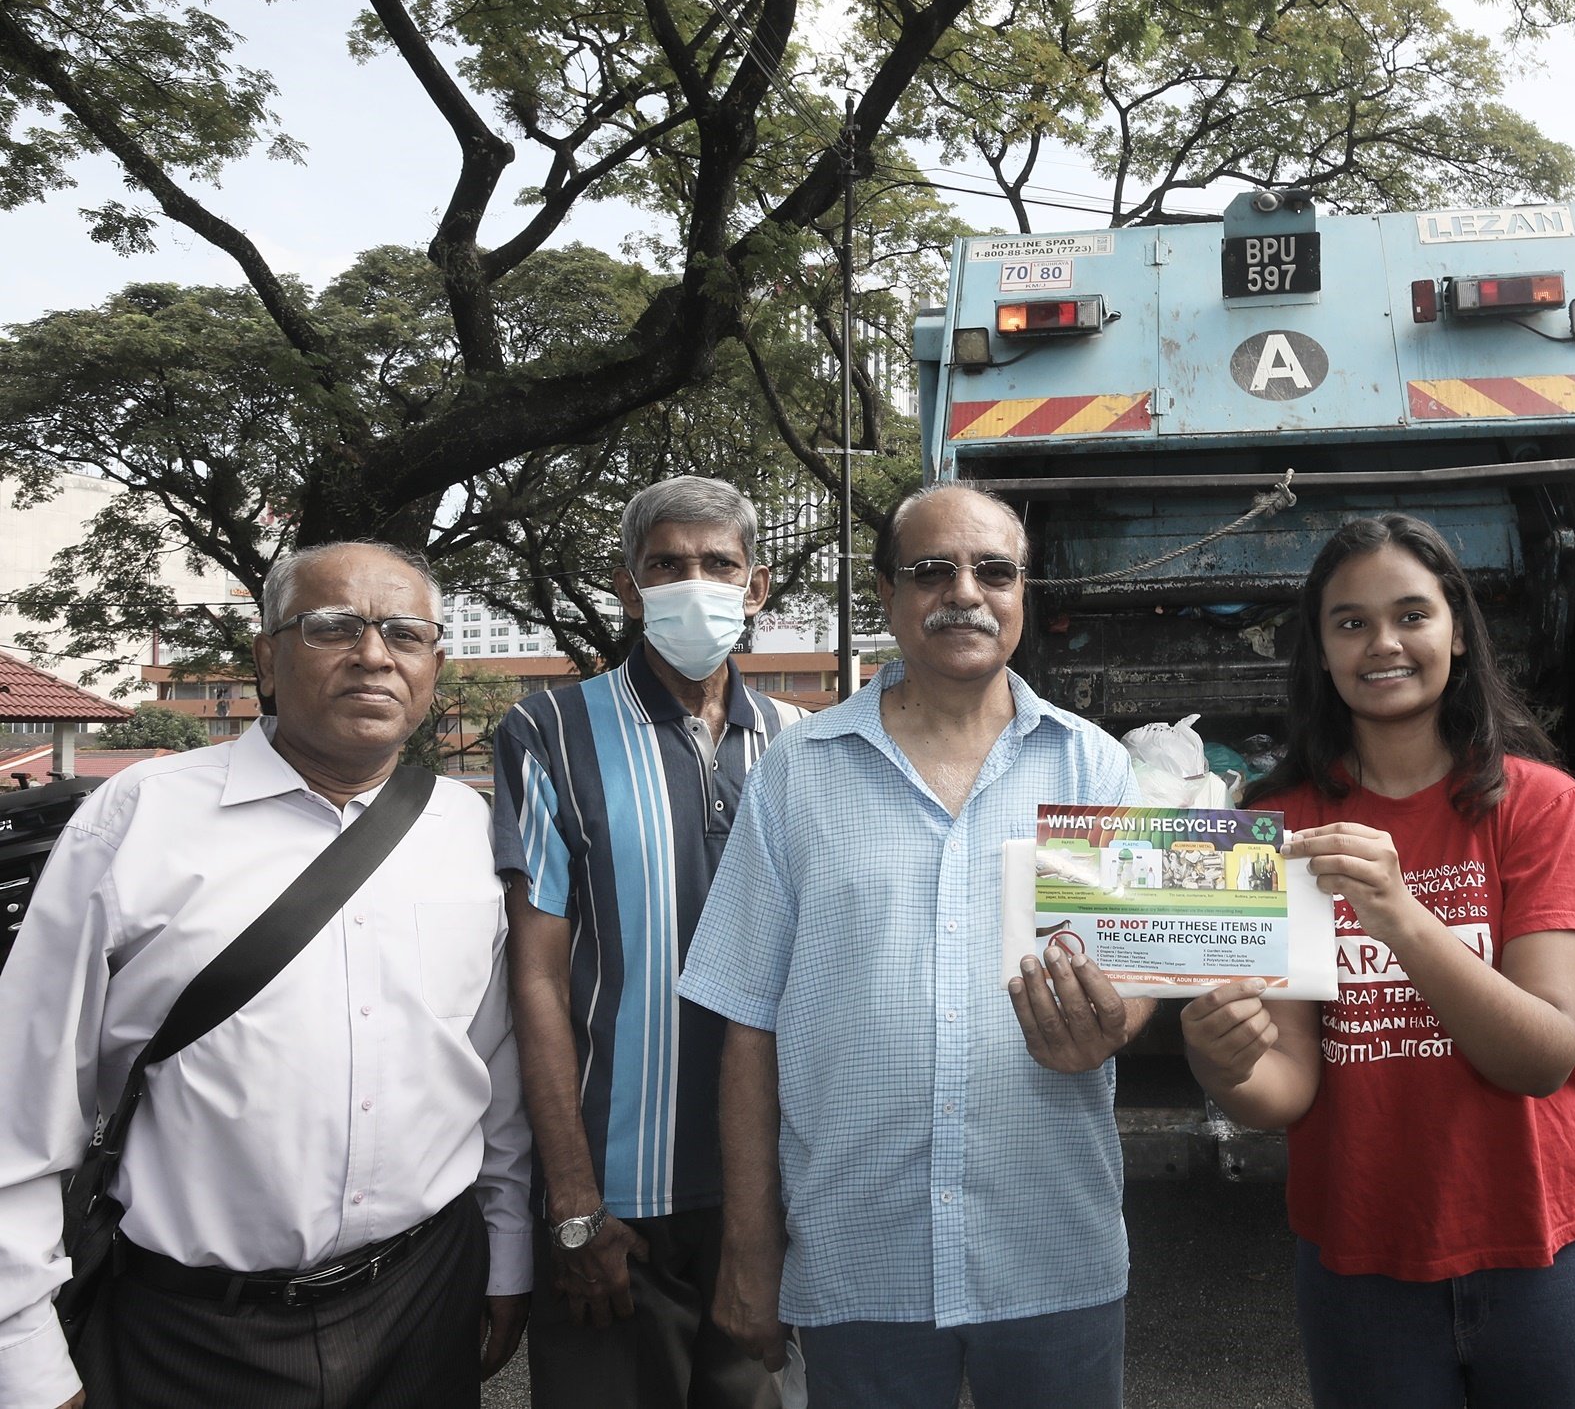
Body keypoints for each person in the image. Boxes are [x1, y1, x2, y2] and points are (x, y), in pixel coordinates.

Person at [0, 542, 531, 1409]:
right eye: (332, 627)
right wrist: (24, 1357)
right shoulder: (139, 817)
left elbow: (491, 1072)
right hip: (194, 1334)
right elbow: (21, 1100)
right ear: (266, 660)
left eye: (404, 632)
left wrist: (506, 1255)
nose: (372, 654)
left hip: (421, 1304)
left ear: (434, 664)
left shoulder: (463, 830)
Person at [678, 482, 1152, 1409]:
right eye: (933, 569)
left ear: (1023, 595)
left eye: (994, 571)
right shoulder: (799, 773)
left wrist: (1115, 1024)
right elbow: (749, 1024)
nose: (964, 592)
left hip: (1052, 1249)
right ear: (889, 595)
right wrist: (750, 1244)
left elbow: (1138, 971)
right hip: (860, 1257)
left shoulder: (1091, 766)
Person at [1180, 513, 1575, 1409]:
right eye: (1350, 622)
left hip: (1545, 1248)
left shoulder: (1541, 805)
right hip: (1359, 1263)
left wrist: (1398, 914)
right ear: (1320, 648)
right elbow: (1287, 1090)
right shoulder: (1275, 827)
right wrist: (1221, 1060)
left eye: (1411, 615)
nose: (1383, 642)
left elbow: (1541, 1053)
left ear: (1457, 634)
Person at [492, 477, 801, 1409]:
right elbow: (535, 976)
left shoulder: (802, 742)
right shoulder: (547, 728)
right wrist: (576, 1205)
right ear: (628, 586)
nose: (692, 582)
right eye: (666, 563)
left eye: (718, 564)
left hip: (766, 1192)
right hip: (615, 1195)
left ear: (757, 588)